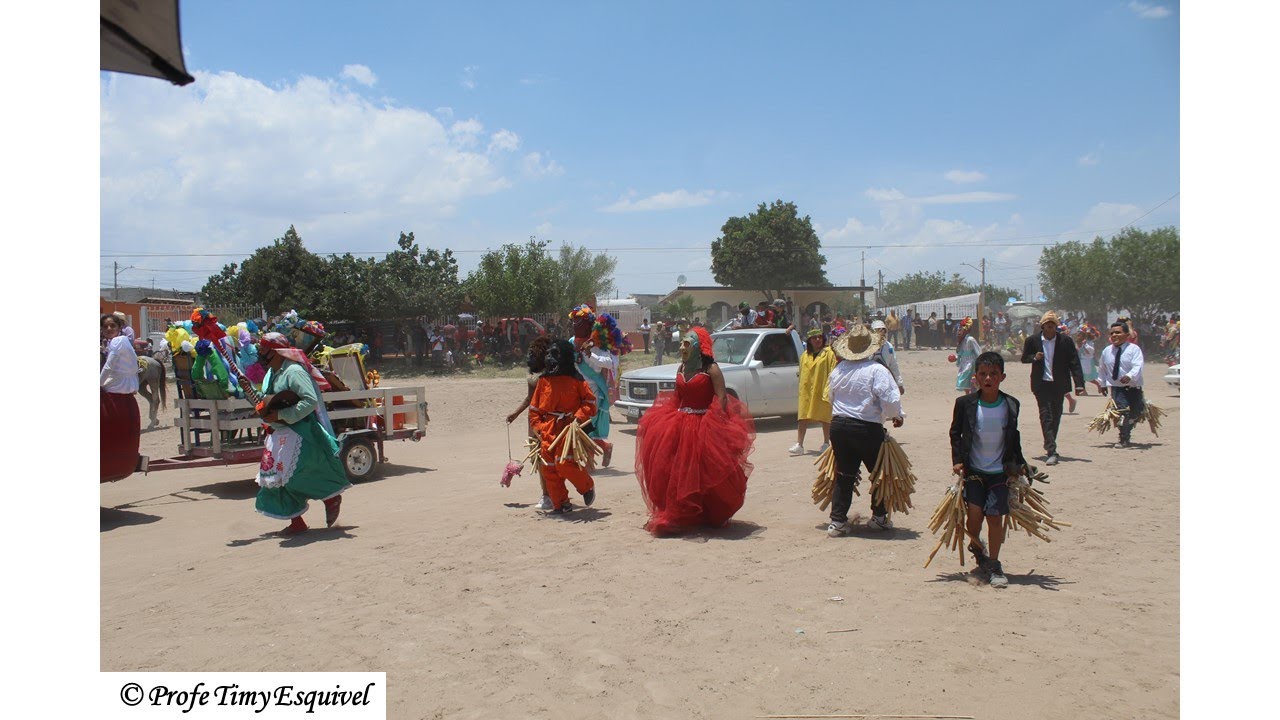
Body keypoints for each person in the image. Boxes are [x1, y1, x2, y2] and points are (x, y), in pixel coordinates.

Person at [635, 326, 754, 535]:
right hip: (680, 423)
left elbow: (721, 398)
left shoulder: (711, 369)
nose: (682, 347)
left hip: (703, 424)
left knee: (703, 472)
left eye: (687, 344)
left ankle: (706, 512)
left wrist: (717, 424)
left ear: (698, 346)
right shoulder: (681, 367)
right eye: (682, 343)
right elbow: (678, 397)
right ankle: (677, 514)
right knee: (675, 471)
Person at [249, 333, 350, 534]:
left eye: (264, 349)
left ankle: (330, 498)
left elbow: (310, 400)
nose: (260, 353)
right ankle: (297, 521)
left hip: (298, 432)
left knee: (297, 476)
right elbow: (268, 399)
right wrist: (249, 391)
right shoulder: (271, 373)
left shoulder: (294, 371)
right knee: (274, 480)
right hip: (277, 434)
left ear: (276, 351)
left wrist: (282, 414)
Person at [948, 351, 1028, 589]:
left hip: (999, 472)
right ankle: (977, 549)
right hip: (974, 471)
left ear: (1002, 377)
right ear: (975, 377)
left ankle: (994, 564)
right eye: (983, 374)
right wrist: (957, 460)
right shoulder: (965, 404)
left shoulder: (1011, 404)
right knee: (974, 516)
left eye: (993, 374)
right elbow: (955, 433)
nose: (988, 378)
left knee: (994, 517)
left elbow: (1013, 436)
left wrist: (1020, 463)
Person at [823, 325, 905, 536]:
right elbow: (891, 400)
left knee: (844, 473)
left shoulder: (839, 369)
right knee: (879, 474)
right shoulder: (877, 370)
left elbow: (830, 397)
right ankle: (879, 517)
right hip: (866, 428)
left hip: (839, 427)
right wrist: (896, 416)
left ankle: (837, 521)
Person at [528, 339, 598, 514]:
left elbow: (590, 402)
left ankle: (586, 486)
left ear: (565, 357)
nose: (550, 358)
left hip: (569, 428)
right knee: (549, 467)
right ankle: (561, 504)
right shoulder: (543, 381)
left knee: (564, 463)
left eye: (555, 354)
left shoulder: (576, 380)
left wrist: (578, 419)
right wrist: (538, 427)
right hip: (548, 429)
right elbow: (534, 409)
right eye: (548, 354)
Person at [1020, 311, 1085, 466]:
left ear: (1056, 326)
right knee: (1046, 415)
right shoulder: (1032, 340)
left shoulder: (1065, 341)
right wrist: (1034, 357)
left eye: (1053, 325)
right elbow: (1024, 358)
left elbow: (1074, 362)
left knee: (1056, 415)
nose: (1050, 328)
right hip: (1041, 384)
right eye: (1047, 325)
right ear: (1042, 326)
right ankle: (1052, 451)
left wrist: (1079, 383)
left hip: (1059, 385)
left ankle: (1049, 441)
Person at [507, 336, 554, 510]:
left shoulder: (552, 376)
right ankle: (546, 494)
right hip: (534, 421)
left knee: (549, 458)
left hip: (548, 420)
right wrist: (515, 413)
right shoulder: (534, 377)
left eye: (533, 355)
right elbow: (529, 398)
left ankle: (553, 493)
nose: (529, 358)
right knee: (538, 458)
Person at [101, 313, 141, 482]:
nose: (109, 329)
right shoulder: (114, 342)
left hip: (119, 385)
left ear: (119, 328)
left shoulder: (118, 341)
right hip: (123, 384)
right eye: (106, 327)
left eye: (113, 326)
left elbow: (109, 366)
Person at [788, 327, 838, 456]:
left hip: (822, 388)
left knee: (825, 417)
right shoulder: (805, 355)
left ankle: (826, 443)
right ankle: (799, 444)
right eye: (814, 338)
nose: (817, 340)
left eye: (820, 337)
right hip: (806, 390)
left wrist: (830, 389)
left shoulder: (829, 353)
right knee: (803, 416)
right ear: (809, 340)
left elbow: (833, 371)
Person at [1097, 321, 1147, 448]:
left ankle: (1127, 431)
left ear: (1126, 334)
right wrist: (1102, 384)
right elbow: (1102, 369)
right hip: (1117, 388)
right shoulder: (1107, 351)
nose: (1114, 335)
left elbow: (1138, 365)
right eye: (1112, 333)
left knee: (1135, 413)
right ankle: (1123, 438)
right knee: (1123, 412)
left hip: (1133, 387)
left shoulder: (1134, 349)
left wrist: (1130, 376)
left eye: (1118, 332)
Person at [870, 319, 905, 395]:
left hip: (885, 381)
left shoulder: (889, 346)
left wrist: (899, 384)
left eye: (883, 330)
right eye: (878, 330)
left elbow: (894, 365)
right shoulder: (867, 347)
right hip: (870, 382)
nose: (882, 332)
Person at [953, 317, 982, 394]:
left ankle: (973, 395)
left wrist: (980, 362)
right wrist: (956, 358)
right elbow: (961, 352)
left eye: (960, 330)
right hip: (964, 362)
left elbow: (978, 351)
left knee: (972, 379)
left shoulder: (970, 339)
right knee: (965, 380)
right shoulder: (962, 340)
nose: (958, 332)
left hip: (971, 363)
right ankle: (967, 395)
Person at [1077, 324, 1103, 395]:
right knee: (1081, 377)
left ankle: (1098, 384)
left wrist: (1084, 346)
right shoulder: (1083, 342)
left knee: (1087, 377)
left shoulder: (1089, 342)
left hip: (1087, 362)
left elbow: (1090, 351)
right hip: (1082, 361)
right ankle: (1084, 391)